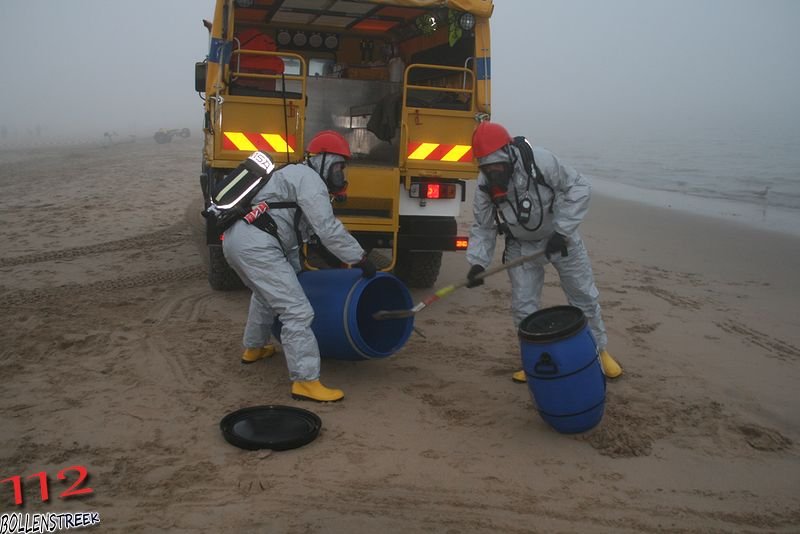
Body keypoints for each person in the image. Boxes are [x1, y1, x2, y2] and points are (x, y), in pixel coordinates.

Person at [222, 130, 377, 402]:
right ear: (322, 160)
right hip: (257, 246)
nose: (341, 172)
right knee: (296, 311)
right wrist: (360, 258)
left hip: (238, 241)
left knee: (267, 293)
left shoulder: (292, 176)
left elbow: (294, 238)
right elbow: (328, 229)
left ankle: (254, 347)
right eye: (338, 165)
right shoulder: (310, 180)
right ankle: (305, 381)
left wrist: (305, 268)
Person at [465, 121, 622, 380]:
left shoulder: (541, 162)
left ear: (508, 154)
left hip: (560, 240)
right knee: (523, 306)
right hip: (521, 246)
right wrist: (477, 263)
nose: (493, 172)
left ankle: (600, 352)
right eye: (486, 167)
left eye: (496, 165)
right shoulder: (486, 186)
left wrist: (562, 231)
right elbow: (483, 226)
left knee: (583, 295)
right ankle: (535, 361)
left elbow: (579, 188)